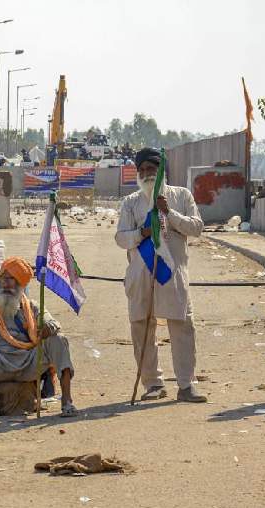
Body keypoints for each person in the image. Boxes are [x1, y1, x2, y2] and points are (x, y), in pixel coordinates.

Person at [115, 147, 207, 403]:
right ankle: (153, 384)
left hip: (173, 274)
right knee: (142, 328)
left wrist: (169, 213)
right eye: (142, 170)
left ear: (161, 172)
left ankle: (186, 385)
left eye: (151, 170)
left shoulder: (181, 196)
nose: (146, 175)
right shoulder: (131, 202)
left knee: (182, 327)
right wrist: (141, 234)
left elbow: (197, 227)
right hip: (141, 274)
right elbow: (121, 238)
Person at [0, 257, 77, 419]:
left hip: (29, 364)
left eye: (12, 279)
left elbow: (51, 321)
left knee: (59, 339)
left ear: (21, 284)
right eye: (4, 278)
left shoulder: (33, 307)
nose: (6, 284)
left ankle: (67, 400)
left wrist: (48, 327)